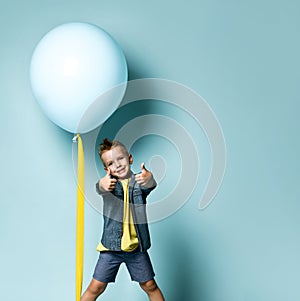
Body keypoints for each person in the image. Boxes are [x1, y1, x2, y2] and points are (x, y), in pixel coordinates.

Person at [81, 138, 165, 301]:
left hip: (136, 247)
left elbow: (149, 184)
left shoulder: (139, 182)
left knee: (150, 286)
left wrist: (149, 178)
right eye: (111, 163)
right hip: (111, 248)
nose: (117, 164)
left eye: (120, 158)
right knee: (96, 287)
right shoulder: (109, 185)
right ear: (106, 168)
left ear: (130, 159)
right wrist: (102, 184)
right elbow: (100, 187)